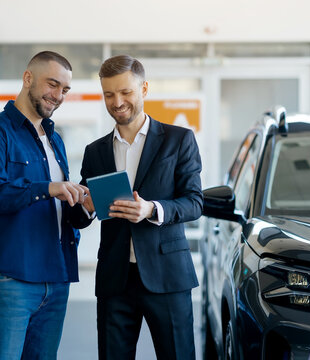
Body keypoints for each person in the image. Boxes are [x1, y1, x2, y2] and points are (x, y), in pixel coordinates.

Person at [70, 55, 203, 359]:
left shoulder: (178, 140)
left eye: (125, 92)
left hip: (167, 276)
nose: (117, 102)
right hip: (115, 281)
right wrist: (87, 206)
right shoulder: (95, 151)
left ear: (143, 89)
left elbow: (194, 202)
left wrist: (152, 209)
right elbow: (81, 216)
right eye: (108, 94)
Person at [0, 51, 89, 360]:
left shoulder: (54, 140)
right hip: (8, 278)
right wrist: (48, 188)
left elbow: (58, 208)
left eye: (65, 90)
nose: (58, 96)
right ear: (28, 78)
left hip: (56, 279)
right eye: (52, 84)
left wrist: (84, 205)